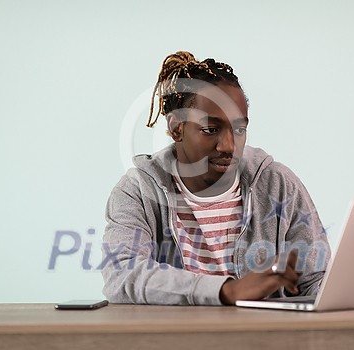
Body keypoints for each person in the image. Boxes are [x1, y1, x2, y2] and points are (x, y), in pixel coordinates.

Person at [101, 51, 330, 305]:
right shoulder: (138, 190)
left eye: (239, 129)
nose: (229, 146)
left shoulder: (277, 183)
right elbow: (122, 275)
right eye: (211, 129)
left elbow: (316, 279)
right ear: (177, 127)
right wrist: (227, 290)